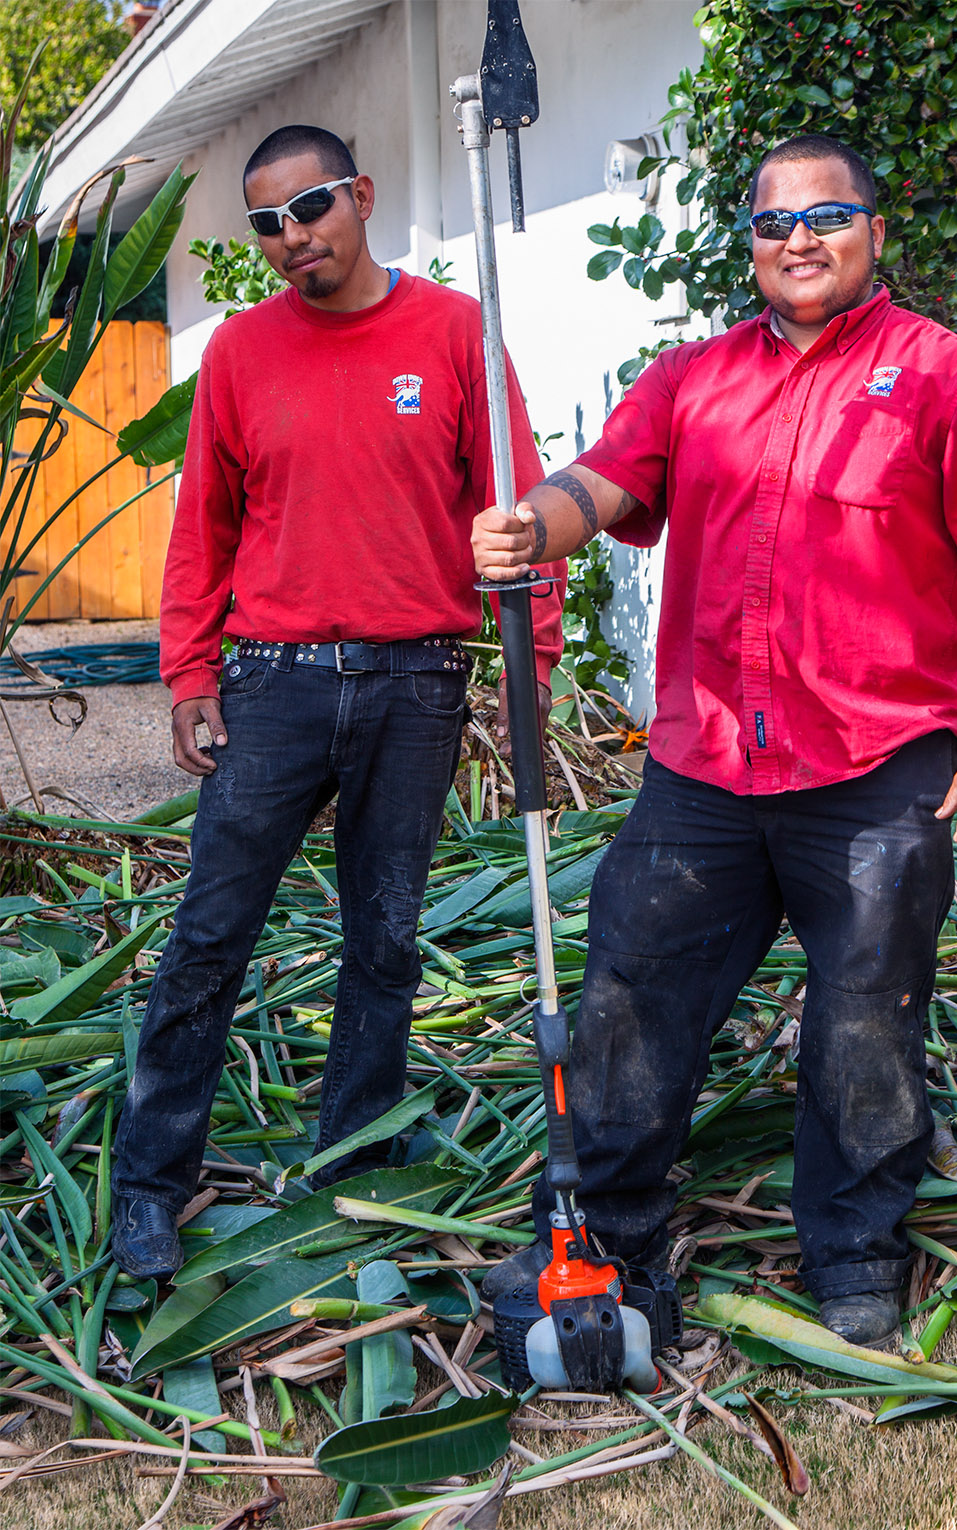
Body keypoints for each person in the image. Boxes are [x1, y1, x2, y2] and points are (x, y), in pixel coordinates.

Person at [472, 134, 957, 1345]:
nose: (798, 240)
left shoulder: (948, 377)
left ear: (872, 231)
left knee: (866, 1012)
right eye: (772, 225)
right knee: (630, 995)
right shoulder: (692, 379)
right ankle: (609, 1245)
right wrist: (530, 527)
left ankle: (853, 1259)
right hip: (704, 763)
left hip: (876, 764)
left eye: (827, 216)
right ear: (746, 244)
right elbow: (599, 484)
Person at [110, 124, 564, 1281]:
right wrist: (189, 674)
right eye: (264, 224)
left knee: (387, 940)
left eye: (307, 209)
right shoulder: (241, 355)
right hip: (274, 682)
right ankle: (151, 1188)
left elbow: (515, 511)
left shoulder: (458, 332)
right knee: (210, 934)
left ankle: (354, 1165)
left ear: (360, 195)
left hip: (417, 680)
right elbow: (201, 528)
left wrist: (534, 666)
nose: (288, 239)